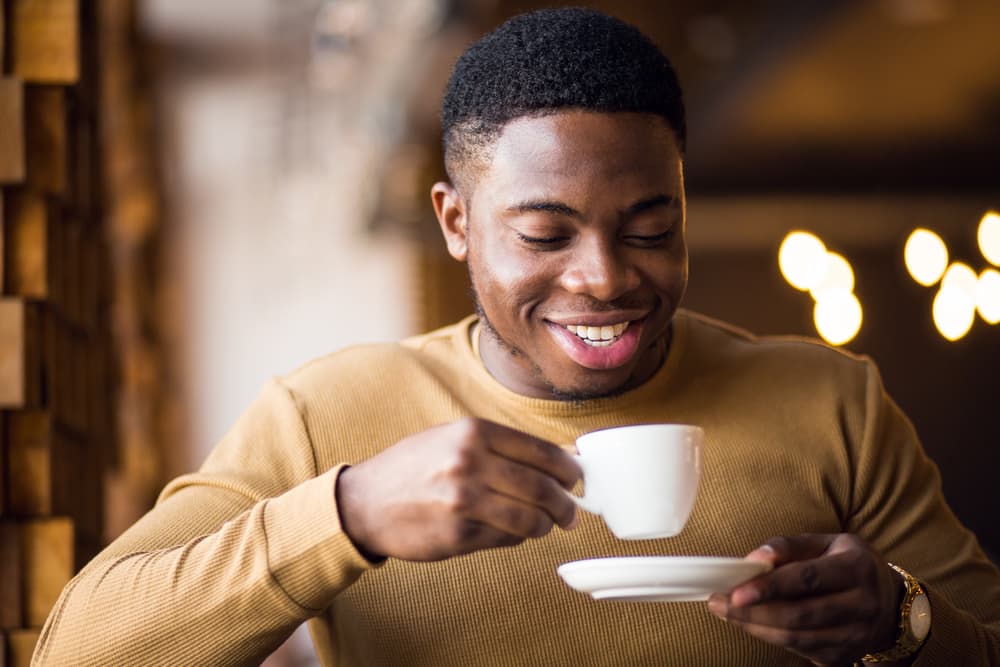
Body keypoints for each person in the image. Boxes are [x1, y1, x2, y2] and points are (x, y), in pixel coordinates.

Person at [34, 8, 1000, 666]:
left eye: (651, 227)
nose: (607, 277)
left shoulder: (832, 402)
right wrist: (349, 514)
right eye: (544, 234)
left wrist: (901, 619)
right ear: (456, 222)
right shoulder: (324, 415)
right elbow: (76, 648)